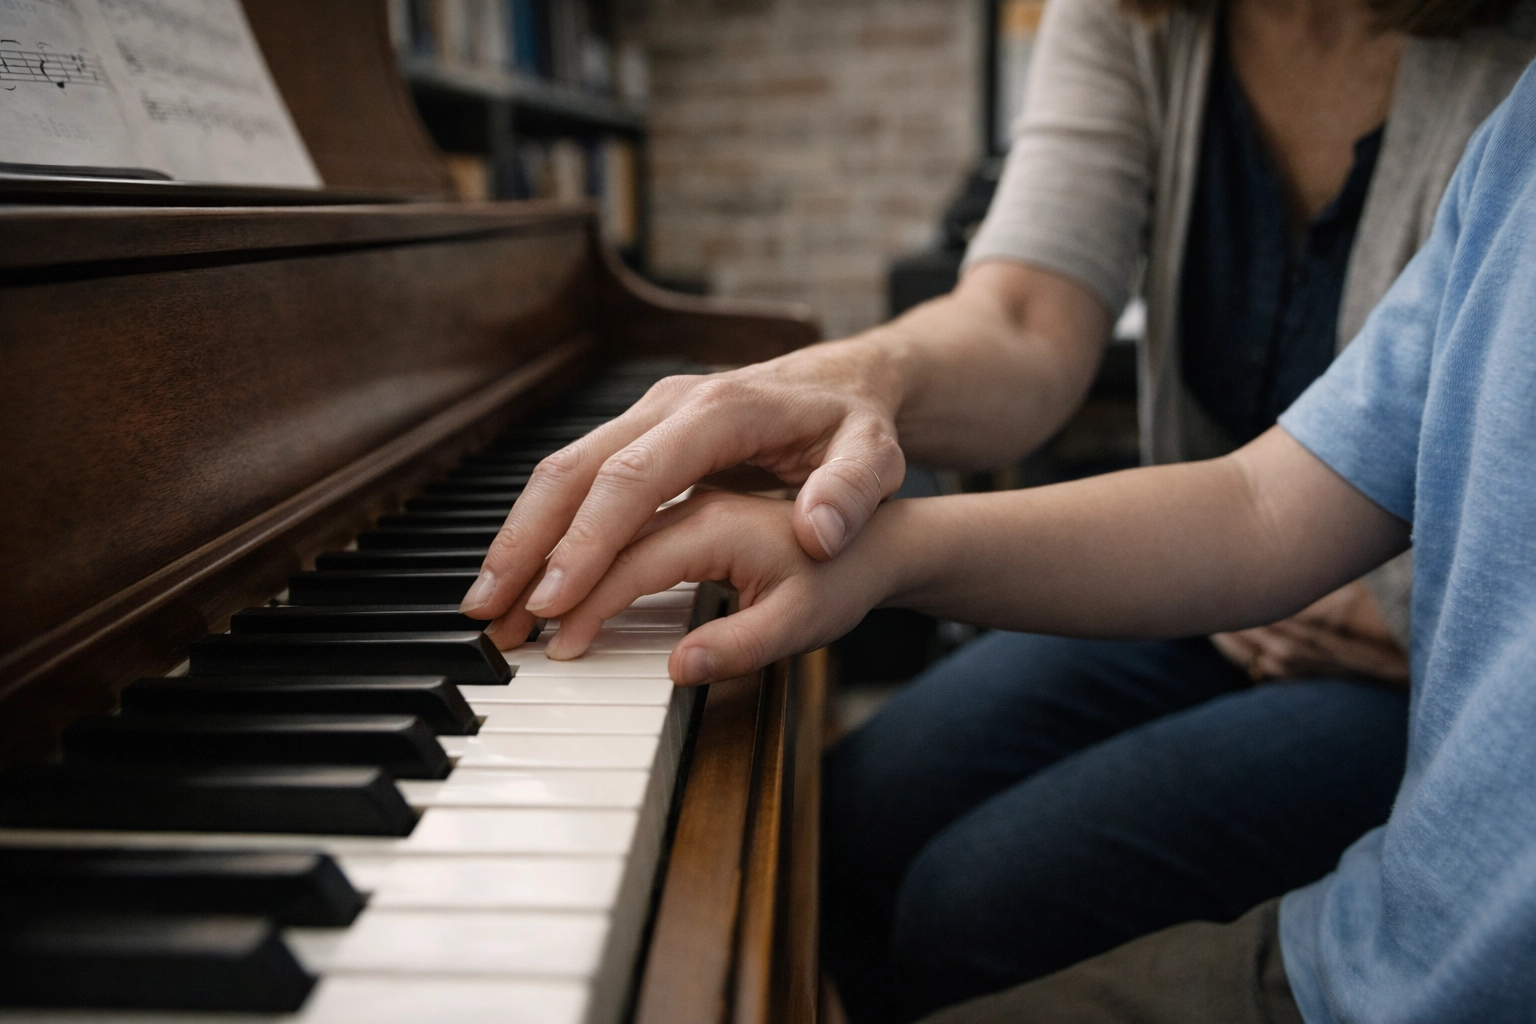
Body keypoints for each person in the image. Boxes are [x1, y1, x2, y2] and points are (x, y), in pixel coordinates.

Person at [459, 0, 1535, 1017]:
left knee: (981, 901)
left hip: (1407, 660)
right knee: (861, 807)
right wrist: (857, 407)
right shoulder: (1140, 19)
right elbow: (1197, 456)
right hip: (1209, 584)